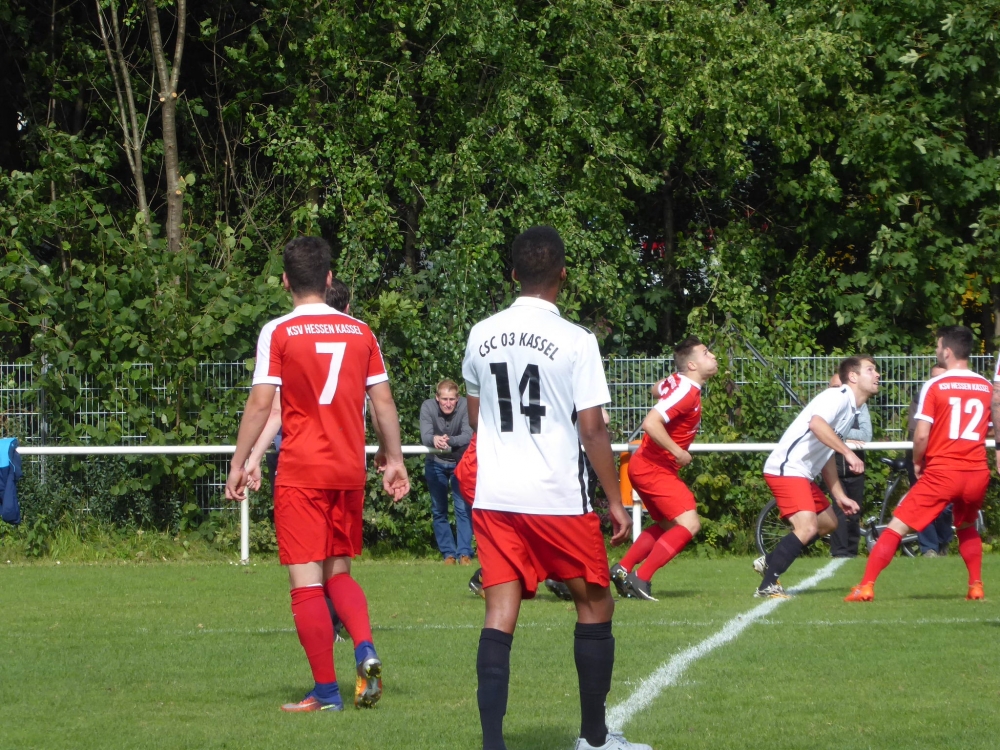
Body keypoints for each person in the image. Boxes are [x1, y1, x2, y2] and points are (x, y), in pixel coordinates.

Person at [462, 226, 647, 750]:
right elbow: (593, 430)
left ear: (514, 273)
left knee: (499, 614)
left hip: (496, 496)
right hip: (557, 497)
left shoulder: (480, 333)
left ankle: (493, 745)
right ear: (563, 275)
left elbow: (477, 418)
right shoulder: (577, 340)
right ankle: (595, 738)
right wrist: (616, 502)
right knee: (596, 606)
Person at [225, 236, 410, 712]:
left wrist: (240, 461)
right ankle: (364, 647)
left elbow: (261, 404)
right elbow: (383, 402)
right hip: (347, 471)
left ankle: (327, 693)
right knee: (339, 574)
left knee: (306, 584)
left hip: (301, 470)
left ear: (286, 281)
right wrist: (394, 459)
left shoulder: (278, 331)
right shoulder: (361, 332)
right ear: (329, 279)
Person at [846, 326, 992, 602]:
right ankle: (975, 585)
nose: (936, 351)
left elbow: (922, 434)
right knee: (966, 526)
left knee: (896, 526)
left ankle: (866, 585)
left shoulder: (936, 385)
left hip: (944, 472)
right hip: (976, 472)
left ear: (947, 351)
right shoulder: (985, 386)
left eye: (938, 346)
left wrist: (916, 462)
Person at [753, 356, 879, 598]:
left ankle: (771, 561)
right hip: (787, 468)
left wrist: (839, 495)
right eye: (870, 369)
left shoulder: (850, 408)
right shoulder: (838, 396)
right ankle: (767, 585)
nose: (877, 374)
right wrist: (849, 453)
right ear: (853, 377)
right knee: (807, 527)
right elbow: (817, 425)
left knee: (828, 523)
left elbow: (826, 454)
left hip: (801, 473)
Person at [609, 337, 718, 601]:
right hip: (653, 468)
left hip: (648, 467)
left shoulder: (681, 383)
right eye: (706, 353)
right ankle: (641, 578)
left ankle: (623, 568)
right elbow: (651, 423)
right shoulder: (685, 391)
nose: (713, 356)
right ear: (692, 365)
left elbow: (655, 389)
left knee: (670, 526)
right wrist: (678, 452)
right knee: (690, 524)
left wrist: (672, 381)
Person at [420, 379, 475, 564]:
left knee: (463, 509)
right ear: (437, 398)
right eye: (444, 399)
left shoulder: (466, 406)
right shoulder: (427, 407)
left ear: (457, 399)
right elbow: (425, 435)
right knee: (439, 510)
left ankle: (465, 553)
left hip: (460, 463)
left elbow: (468, 435)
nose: (448, 403)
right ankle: (448, 554)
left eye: (452, 399)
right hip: (435, 462)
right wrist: (433, 439)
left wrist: (447, 440)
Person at [907, 364, 953, 557]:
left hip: (947, 458)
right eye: (934, 377)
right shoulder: (922, 397)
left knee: (946, 507)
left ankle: (943, 543)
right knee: (922, 503)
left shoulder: (956, 398)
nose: (937, 382)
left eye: (942, 377)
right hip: (924, 457)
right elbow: (916, 430)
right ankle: (929, 548)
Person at [825, 373, 872, 558]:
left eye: (841, 387)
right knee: (838, 511)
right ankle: (839, 553)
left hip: (855, 469)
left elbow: (866, 435)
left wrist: (837, 435)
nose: (838, 391)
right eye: (834, 387)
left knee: (854, 512)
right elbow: (822, 430)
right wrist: (846, 437)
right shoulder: (824, 407)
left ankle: (852, 552)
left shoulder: (860, 406)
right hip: (832, 468)